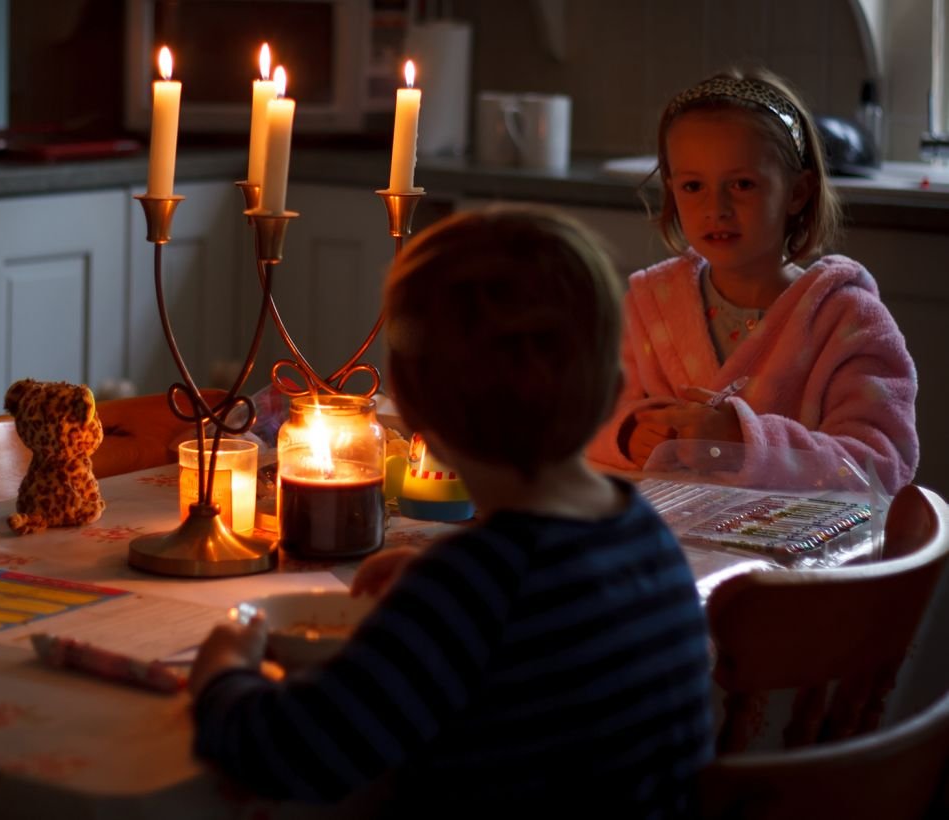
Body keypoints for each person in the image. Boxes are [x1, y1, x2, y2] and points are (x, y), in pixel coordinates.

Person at [189, 205, 713, 816]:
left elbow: (296, 752)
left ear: (410, 409)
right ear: (612, 382)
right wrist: (442, 575)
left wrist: (222, 667)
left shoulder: (477, 585)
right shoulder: (643, 534)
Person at [586, 68, 918, 490]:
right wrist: (628, 433)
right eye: (692, 186)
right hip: (673, 543)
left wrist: (743, 442)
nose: (716, 208)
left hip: (801, 550)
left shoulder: (847, 321)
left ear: (797, 192)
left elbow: (882, 465)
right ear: (671, 190)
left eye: (742, 184)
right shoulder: (649, 305)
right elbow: (590, 415)